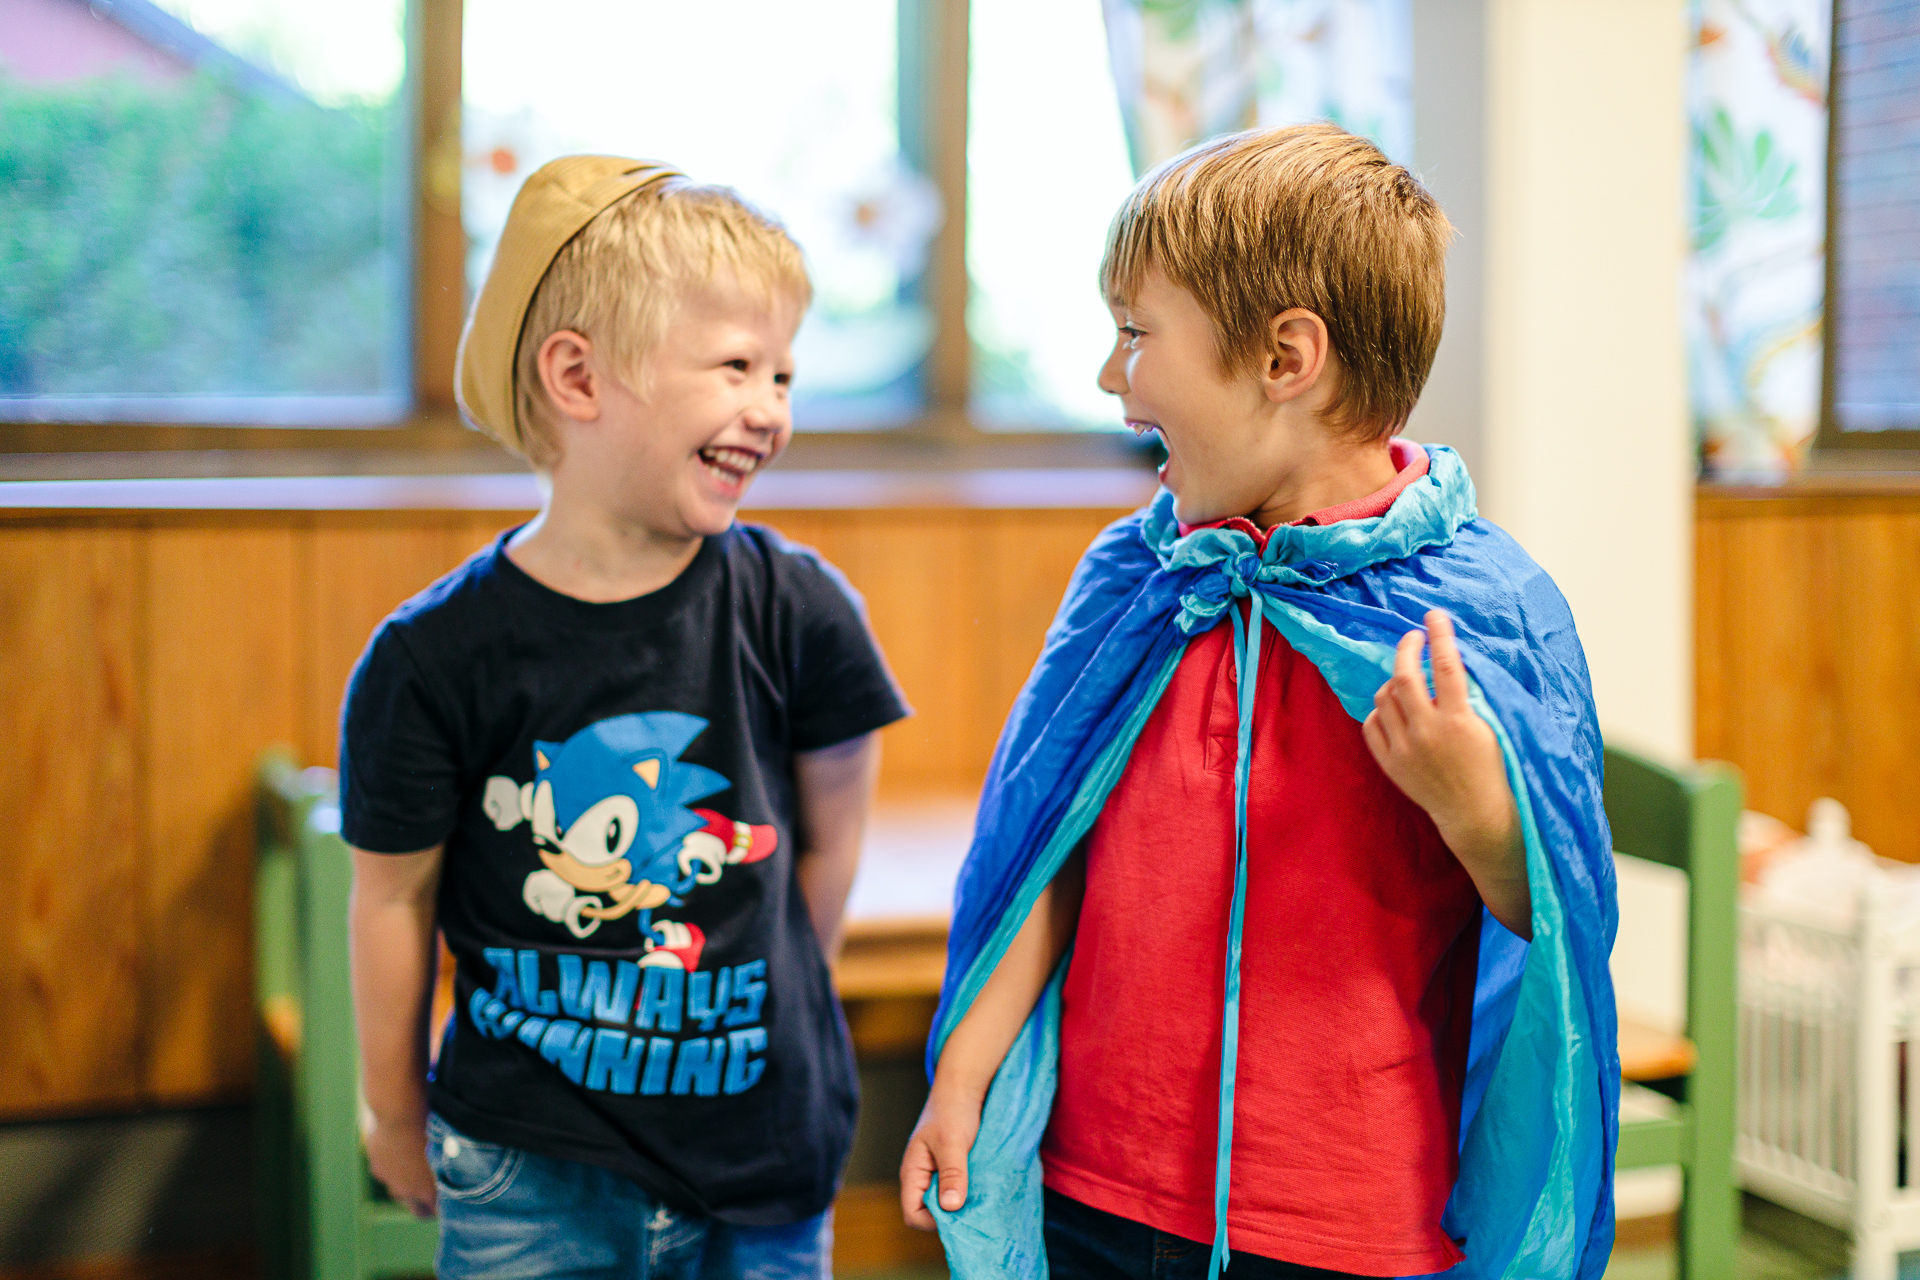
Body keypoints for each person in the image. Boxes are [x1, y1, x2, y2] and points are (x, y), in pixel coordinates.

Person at [900, 124, 1618, 1280]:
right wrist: (966, 1072)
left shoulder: (1481, 612)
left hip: (1341, 1221)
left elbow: (1558, 925)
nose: (1109, 377)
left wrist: (1478, 807)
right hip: (1096, 1183)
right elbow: (1048, 856)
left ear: (1287, 358)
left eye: (1136, 334)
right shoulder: (1140, 580)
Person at [342, 156, 910, 1280]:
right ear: (577, 377)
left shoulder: (800, 610)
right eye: (738, 365)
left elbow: (835, 833)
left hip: (764, 1157)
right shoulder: (430, 657)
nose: (770, 410)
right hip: (529, 1165)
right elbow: (392, 895)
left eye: (786, 374)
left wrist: (783, 997)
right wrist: (393, 1109)